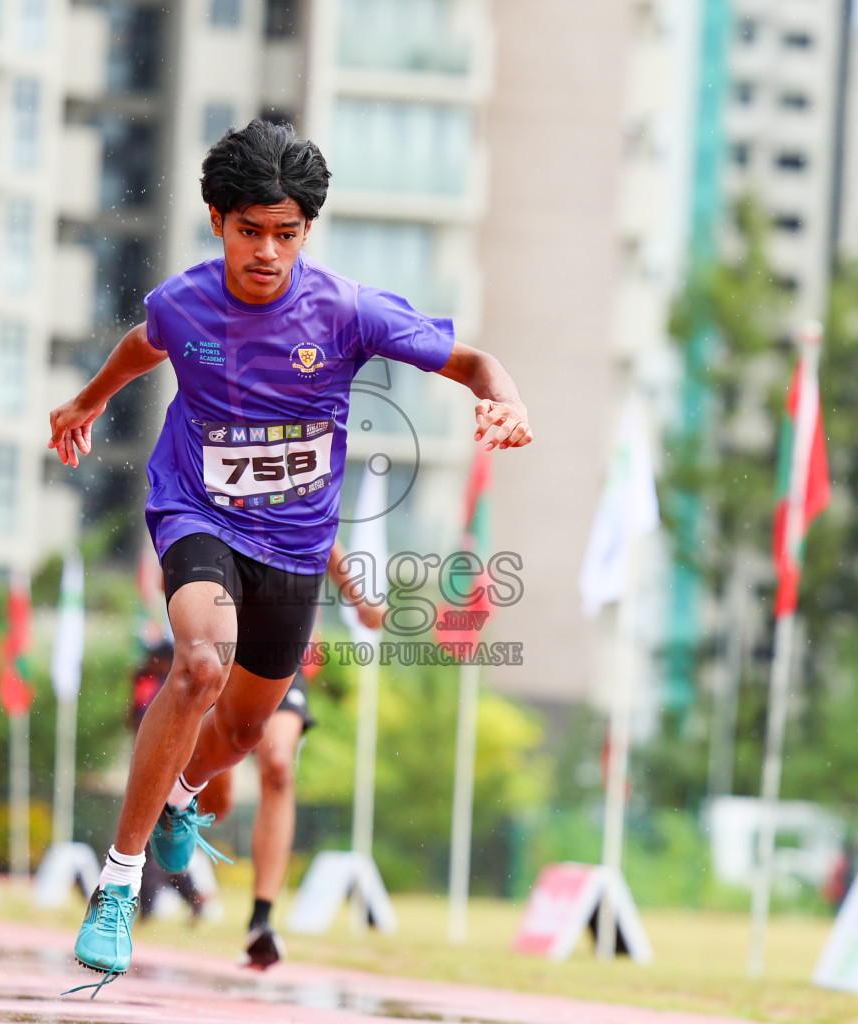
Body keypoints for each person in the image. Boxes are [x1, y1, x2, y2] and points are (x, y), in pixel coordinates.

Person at [48, 119, 532, 991]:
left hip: (296, 546)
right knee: (199, 666)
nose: (267, 251)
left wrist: (505, 401)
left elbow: (474, 361)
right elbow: (140, 347)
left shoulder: (346, 310)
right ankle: (117, 884)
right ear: (216, 220)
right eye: (249, 231)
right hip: (195, 510)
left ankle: (183, 796)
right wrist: (82, 406)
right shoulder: (183, 303)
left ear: (307, 231)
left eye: (287, 233)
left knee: (240, 731)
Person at [196, 540, 385, 971]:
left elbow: (325, 530)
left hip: (279, 641)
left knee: (279, 764)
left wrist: (358, 597)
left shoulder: (304, 481)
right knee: (216, 802)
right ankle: (186, 793)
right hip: (221, 639)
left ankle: (261, 922)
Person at [125, 643, 207, 923]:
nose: (149, 662)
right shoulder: (152, 681)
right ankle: (188, 897)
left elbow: (138, 721)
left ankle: (149, 904)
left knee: (149, 839)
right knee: (151, 841)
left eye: (154, 658)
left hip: (164, 767)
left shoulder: (158, 683)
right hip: (159, 763)